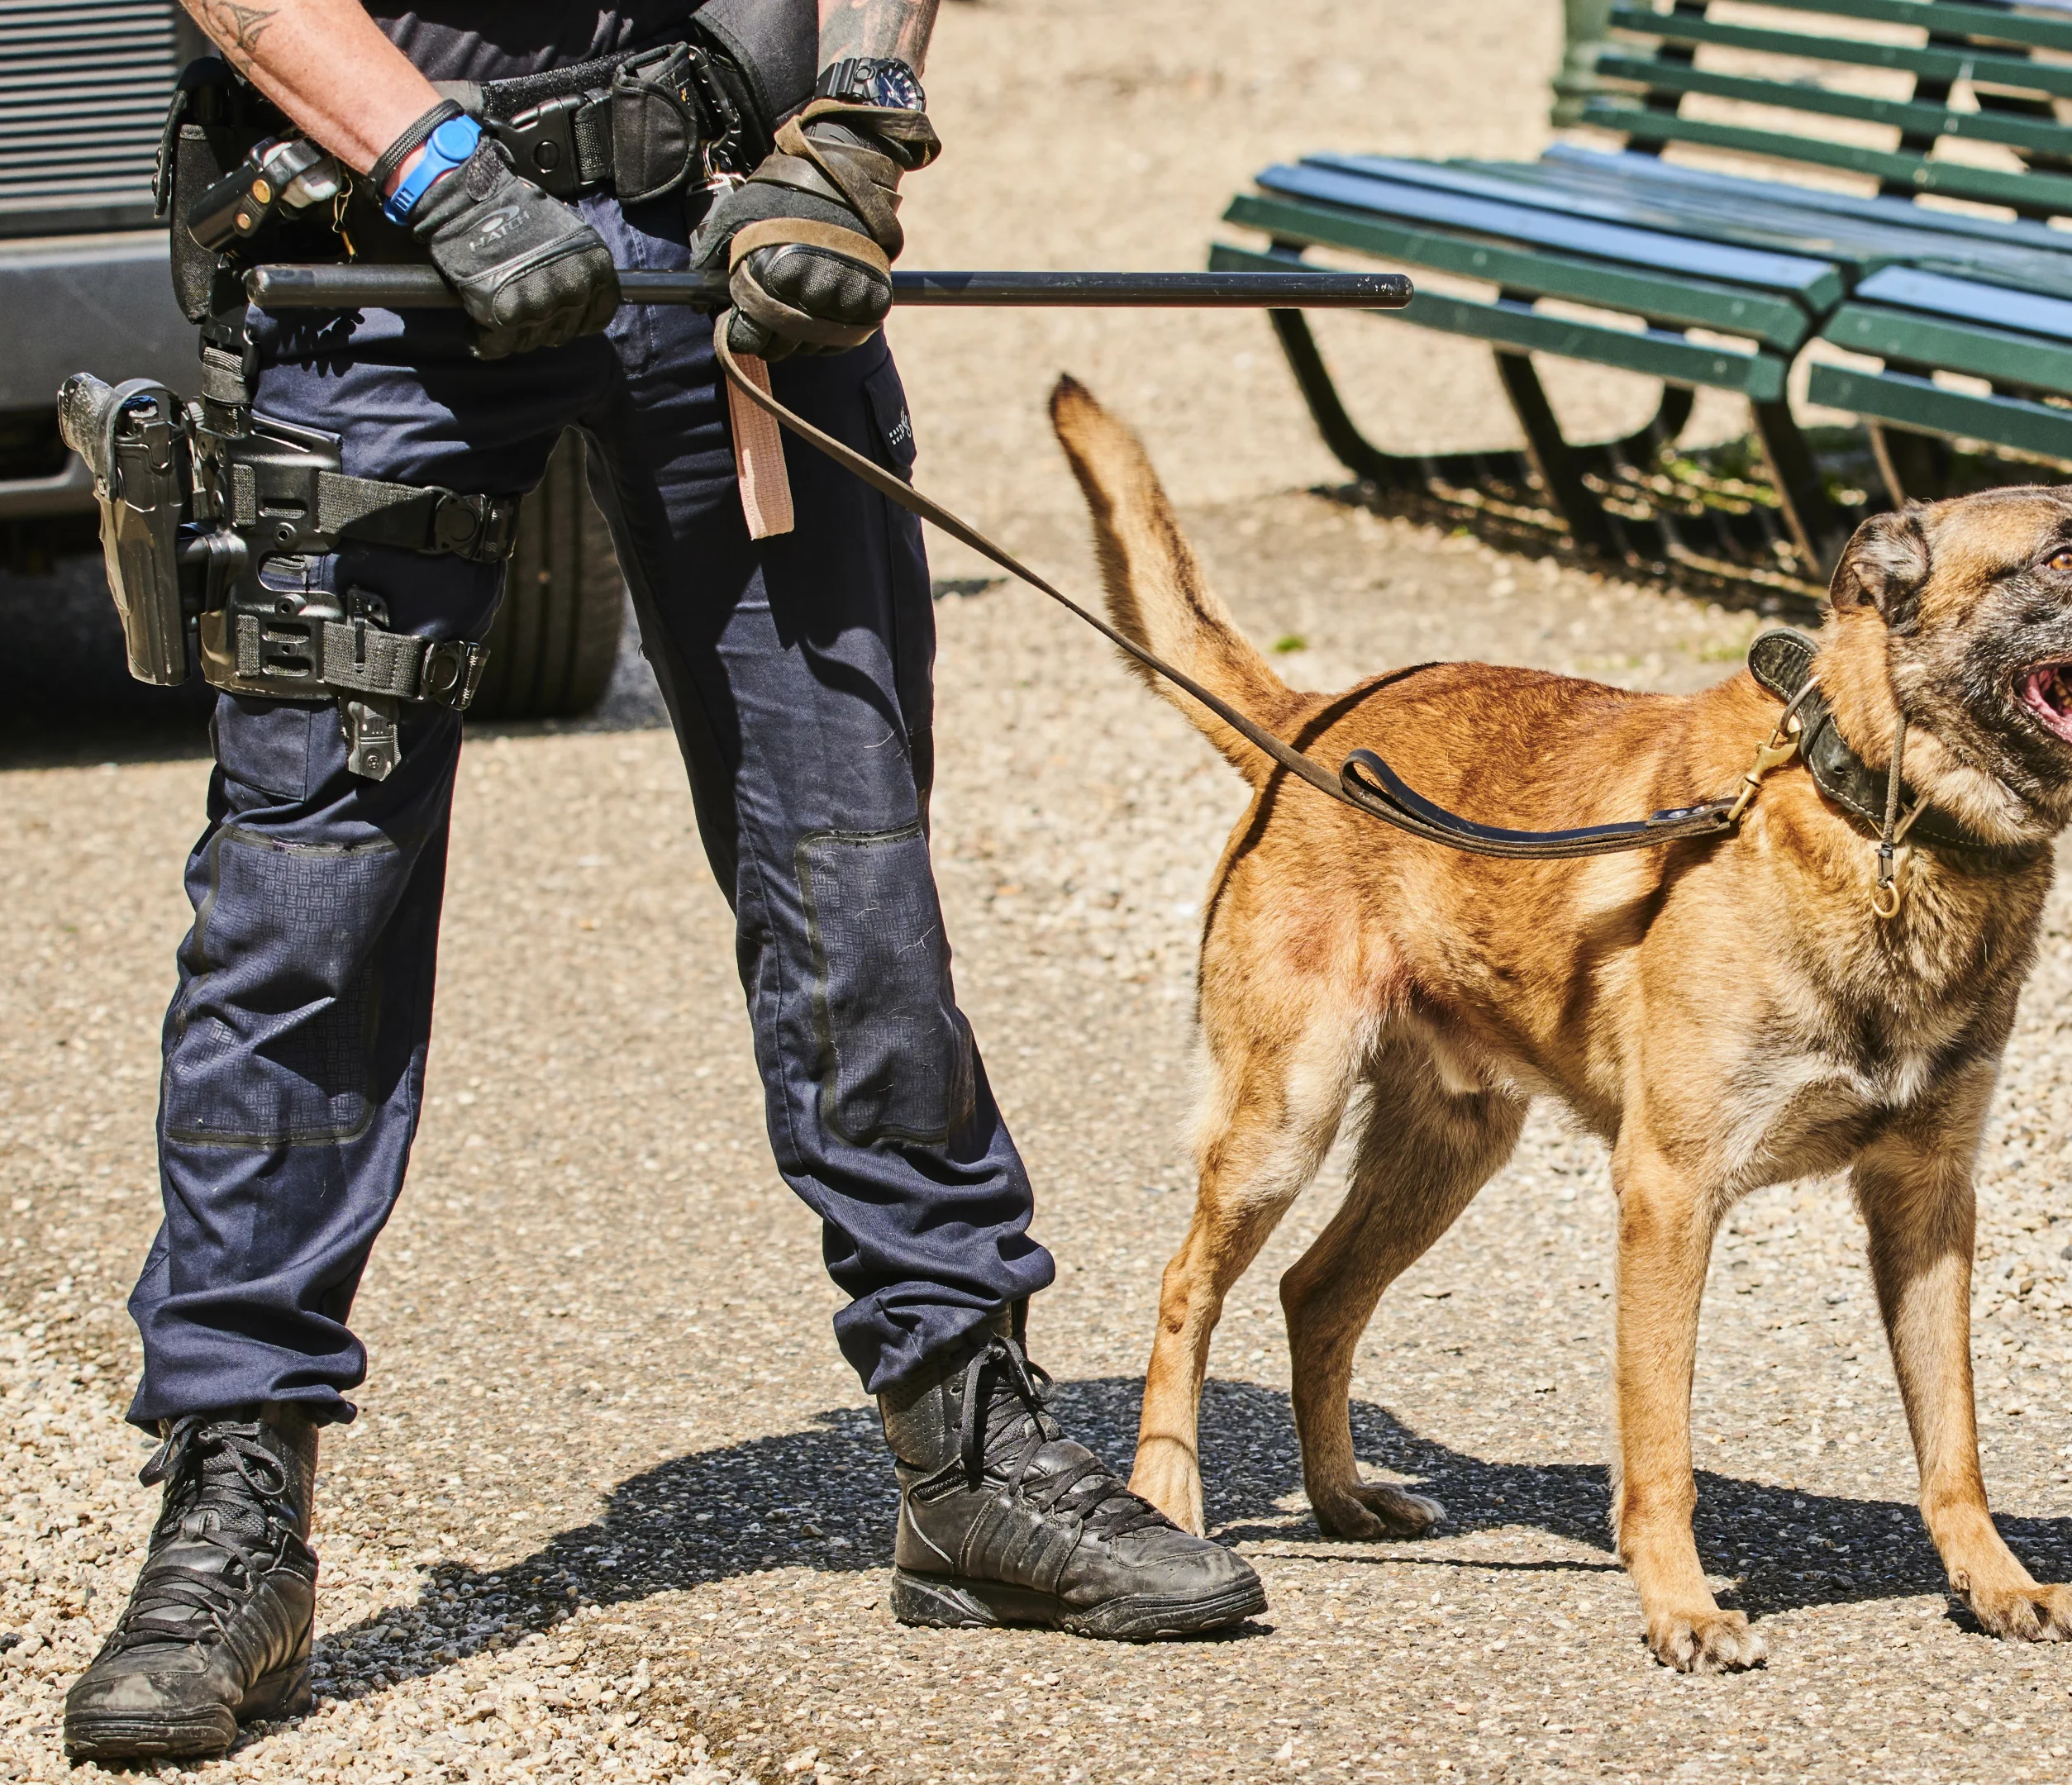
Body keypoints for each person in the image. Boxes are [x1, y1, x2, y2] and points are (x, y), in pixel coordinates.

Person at [63, 0, 1260, 1763]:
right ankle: (236, 1504)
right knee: (308, 903)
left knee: (851, 862)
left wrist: (853, 135)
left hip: (725, 229)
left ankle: (969, 1441)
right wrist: (436, 164)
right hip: (373, 234)